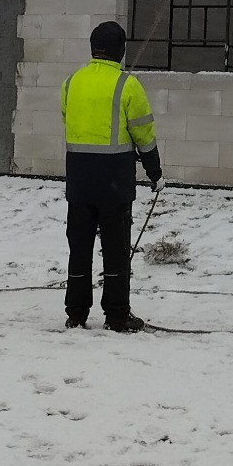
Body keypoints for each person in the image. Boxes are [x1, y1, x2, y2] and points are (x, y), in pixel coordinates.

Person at [59, 19, 162, 331]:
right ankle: (116, 315)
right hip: (114, 182)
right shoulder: (127, 85)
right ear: (120, 50)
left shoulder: (71, 82)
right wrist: (154, 171)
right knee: (116, 250)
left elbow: (68, 119)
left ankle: (76, 313)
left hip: (79, 180)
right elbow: (144, 133)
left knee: (79, 248)